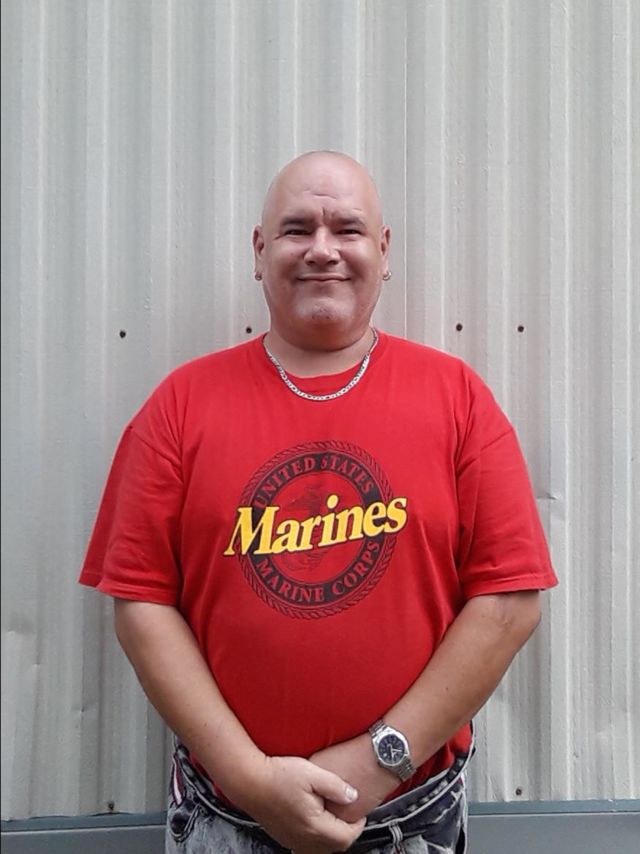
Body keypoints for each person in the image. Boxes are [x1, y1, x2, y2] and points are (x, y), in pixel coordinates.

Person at [79, 150, 558, 853]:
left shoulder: (457, 398)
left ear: (384, 251)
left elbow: (510, 601)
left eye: (348, 229)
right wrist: (251, 780)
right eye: (297, 229)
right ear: (260, 250)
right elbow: (141, 606)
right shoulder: (180, 406)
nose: (323, 250)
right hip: (226, 815)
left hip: (408, 815)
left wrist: (379, 761)